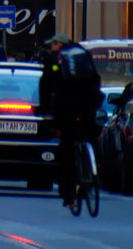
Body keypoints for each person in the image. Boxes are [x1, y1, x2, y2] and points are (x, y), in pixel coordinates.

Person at [38, 36, 102, 213]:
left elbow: (45, 84)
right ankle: (93, 171)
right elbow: (96, 79)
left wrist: (45, 109)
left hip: (65, 108)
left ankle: (68, 194)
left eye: (52, 44)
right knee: (89, 136)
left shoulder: (54, 59)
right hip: (87, 105)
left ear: (59, 44)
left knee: (66, 148)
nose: (51, 47)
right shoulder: (84, 54)